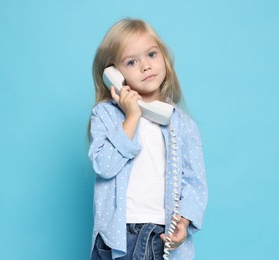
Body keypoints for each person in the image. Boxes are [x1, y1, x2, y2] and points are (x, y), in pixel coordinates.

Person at [88, 18, 208, 259]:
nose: (145, 66)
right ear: (113, 75)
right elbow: (104, 165)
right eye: (131, 61)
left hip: (162, 236)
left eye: (151, 55)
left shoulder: (182, 124)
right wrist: (131, 118)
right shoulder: (106, 115)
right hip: (118, 237)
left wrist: (184, 222)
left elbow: (195, 183)